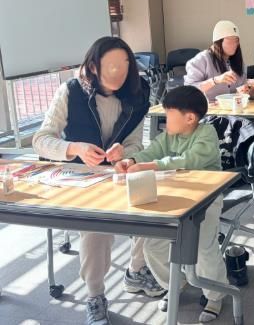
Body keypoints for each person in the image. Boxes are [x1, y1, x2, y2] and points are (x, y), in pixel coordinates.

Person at [32, 36, 163, 325]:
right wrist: (74, 148)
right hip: (80, 176)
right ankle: (95, 295)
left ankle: (136, 270)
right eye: (111, 66)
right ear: (93, 66)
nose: (120, 72)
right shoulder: (70, 91)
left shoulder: (138, 94)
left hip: (117, 172)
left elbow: (136, 143)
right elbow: (40, 140)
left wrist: (124, 153)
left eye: (125, 65)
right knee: (96, 227)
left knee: (153, 200)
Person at [114, 85, 225, 322]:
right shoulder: (169, 136)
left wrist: (152, 165)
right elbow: (152, 151)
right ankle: (175, 282)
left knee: (204, 248)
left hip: (207, 199)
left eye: (169, 114)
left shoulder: (206, 133)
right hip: (175, 197)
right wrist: (132, 160)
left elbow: (190, 160)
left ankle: (215, 295)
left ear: (190, 118)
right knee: (153, 247)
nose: (165, 120)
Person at [184, 20, 246, 101]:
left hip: (233, 106)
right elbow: (188, 91)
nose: (234, 44)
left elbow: (241, 88)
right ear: (218, 42)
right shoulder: (202, 59)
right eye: (230, 40)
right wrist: (215, 81)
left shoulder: (238, 61)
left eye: (236, 40)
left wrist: (248, 89)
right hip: (208, 107)